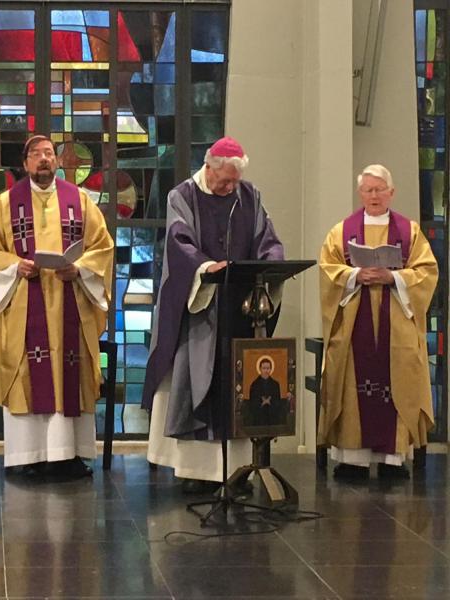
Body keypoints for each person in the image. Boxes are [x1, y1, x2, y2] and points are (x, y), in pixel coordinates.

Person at [141, 136, 284, 493]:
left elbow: (267, 238)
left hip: (240, 307)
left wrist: (271, 265)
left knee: (237, 383)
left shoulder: (249, 196)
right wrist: (205, 267)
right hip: (200, 304)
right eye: (225, 180)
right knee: (196, 378)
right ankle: (194, 471)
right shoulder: (183, 196)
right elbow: (178, 240)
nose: (230, 187)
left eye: (235, 180)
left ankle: (237, 469)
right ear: (209, 168)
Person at [0, 135, 114, 478]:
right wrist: (13, 265)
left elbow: (102, 247)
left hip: (71, 306)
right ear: (25, 163)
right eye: (36, 154)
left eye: (49, 153)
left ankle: (70, 454)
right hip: (23, 306)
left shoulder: (80, 201)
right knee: (24, 372)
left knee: (70, 371)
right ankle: (27, 455)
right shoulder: (5, 204)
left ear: (57, 161)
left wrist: (78, 269)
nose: (44, 159)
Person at [318, 164, 437, 480]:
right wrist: (356, 274)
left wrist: (393, 276)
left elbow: (427, 272)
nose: (374, 195)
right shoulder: (341, 231)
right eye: (368, 190)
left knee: (397, 377)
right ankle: (351, 458)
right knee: (351, 381)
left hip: (396, 322)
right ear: (360, 193)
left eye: (379, 189)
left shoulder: (409, 231)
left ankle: (392, 459)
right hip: (354, 323)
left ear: (391, 193)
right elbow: (328, 270)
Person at [243, 358, 289, 428]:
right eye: (264, 368)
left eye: (268, 368)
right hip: (258, 416)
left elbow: (278, 400)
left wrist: (270, 402)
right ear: (260, 369)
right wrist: (262, 402)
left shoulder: (275, 384)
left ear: (271, 369)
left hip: (272, 415)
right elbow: (252, 402)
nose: (266, 370)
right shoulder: (255, 384)